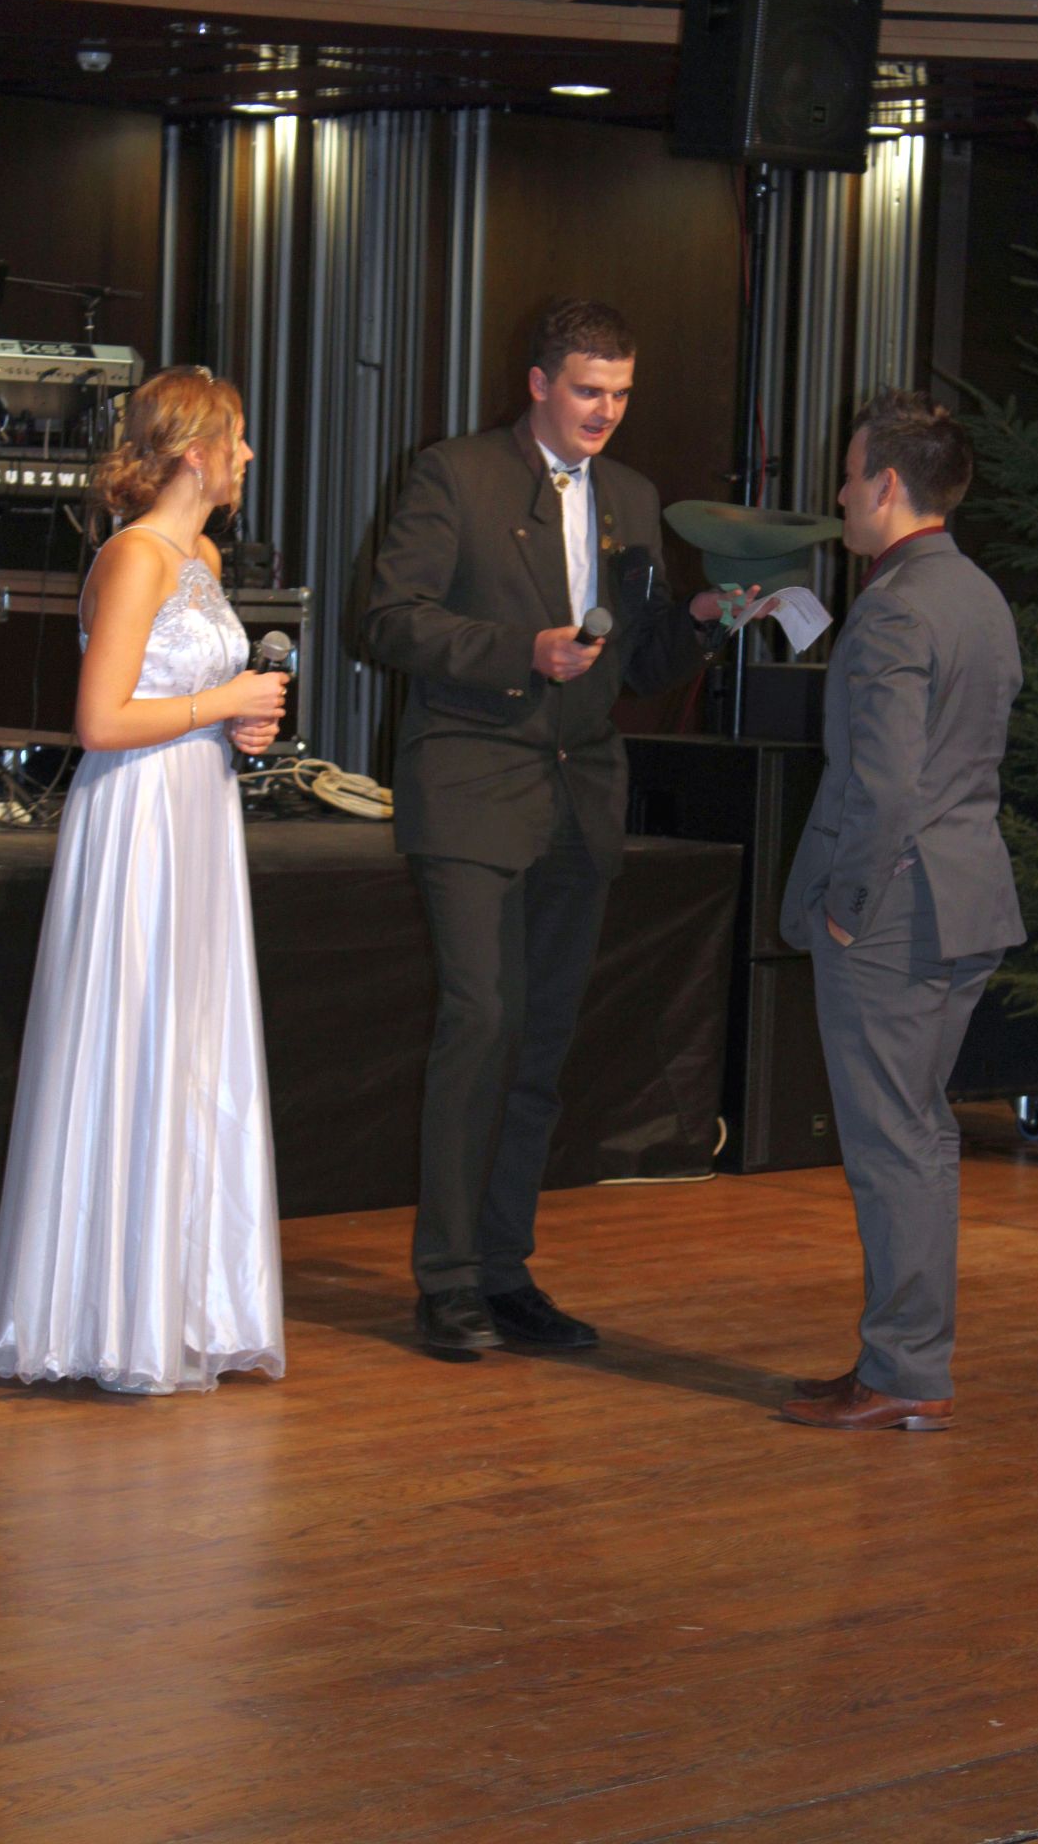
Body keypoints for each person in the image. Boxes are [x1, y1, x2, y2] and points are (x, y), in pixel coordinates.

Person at [367, 297, 754, 1355]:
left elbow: (643, 661)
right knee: (481, 1022)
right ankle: (447, 1281)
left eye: (621, 393)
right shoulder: (455, 474)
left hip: (580, 793)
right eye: (588, 390)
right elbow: (390, 619)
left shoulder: (630, 495)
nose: (605, 411)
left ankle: (503, 1272)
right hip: (471, 781)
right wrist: (519, 651)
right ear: (538, 383)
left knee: (538, 1043)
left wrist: (706, 621)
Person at [0, 366, 290, 1395]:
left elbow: (190, 693)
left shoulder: (202, 555)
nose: (247, 455)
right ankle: (109, 1317)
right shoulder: (133, 557)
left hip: (197, 809)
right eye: (236, 440)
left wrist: (241, 723)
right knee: (134, 1034)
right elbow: (100, 720)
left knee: (192, 1043)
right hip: (138, 819)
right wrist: (223, 703)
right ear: (196, 453)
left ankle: (186, 1303)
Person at [777, 388, 1025, 1433]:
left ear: (884, 485)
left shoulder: (893, 607)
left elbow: (884, 786)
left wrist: (845, 903)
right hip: (964, 900)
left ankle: (905, 1372)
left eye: (847, 476)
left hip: (894, 913)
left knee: (893, 1149)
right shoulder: (977, 593)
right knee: (914, 1139)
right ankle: (901, 1361)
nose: (839, 495)